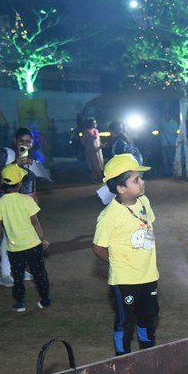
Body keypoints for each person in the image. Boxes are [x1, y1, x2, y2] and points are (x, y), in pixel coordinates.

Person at [92, 154, 159, 356]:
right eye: (136, 180)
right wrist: (118, 262)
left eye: (141, 178)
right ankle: (122, 359)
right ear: (121, 188)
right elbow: (98, 247)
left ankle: (147, 352)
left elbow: (148, 227)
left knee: (149, 316)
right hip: (125, 280)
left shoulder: (144, 201)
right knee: (125, 321)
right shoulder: (109, 216)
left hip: (149, 275)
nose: (142, 182)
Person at [0, 164, 51, 313]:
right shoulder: (26, 200)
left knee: (17, 276)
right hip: (33, 245)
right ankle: (45, 299)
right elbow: (34, 221)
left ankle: (19, 303)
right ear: (20, 184)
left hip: (14, 248)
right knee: (39, 274)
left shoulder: (0, 202)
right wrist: (42, 238)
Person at [0, 128, 39, 286]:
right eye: (21, 141)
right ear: (15, 141)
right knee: (8, 237)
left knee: (23, 236)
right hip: (7, 201)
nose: (25, 144)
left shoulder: (31, 157)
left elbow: (31, 179)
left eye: (28, 141)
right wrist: (15, 164)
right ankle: (5, 274)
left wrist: (34, 195)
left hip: (25, 202)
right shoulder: (7, 154)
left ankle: (19, 268)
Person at [79, 117, 104, 183]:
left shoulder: (96, 131)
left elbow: (98, 140)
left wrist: (101, 145)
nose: (95, 124)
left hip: (98, 151)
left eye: (95, 123)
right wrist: (89, 147)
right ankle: (95, 179)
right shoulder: (86, 132)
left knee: (99, 165)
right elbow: (82, 142)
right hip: (91, 152)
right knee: (93, 166)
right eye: (93, 123)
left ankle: (100, 178)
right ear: (89, 124)